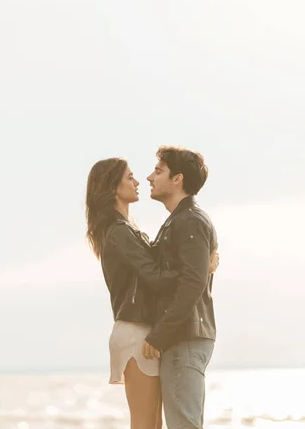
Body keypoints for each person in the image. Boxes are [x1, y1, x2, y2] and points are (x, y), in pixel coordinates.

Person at [85, 157, 219, 429]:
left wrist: (200, 268)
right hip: (134, 333)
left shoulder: (130, 231)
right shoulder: (119, 232)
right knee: (146, 425)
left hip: (143, 331)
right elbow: (156, 277)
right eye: (130, 177)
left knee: (153, 425)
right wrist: (200, 271)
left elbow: (158, 266)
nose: (138, 181)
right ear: (112, 187)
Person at [142, 146, 218, 429]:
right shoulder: (180, 221)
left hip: (183, 337)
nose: (149, 177)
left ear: (178, 179)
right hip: (184, 336)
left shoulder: (190, 221)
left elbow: (193, 281)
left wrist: (159, 335)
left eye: (158, 171)